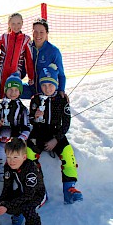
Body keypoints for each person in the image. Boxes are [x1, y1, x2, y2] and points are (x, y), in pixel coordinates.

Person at [28, 63, 83, 204]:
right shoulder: (35, 99)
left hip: (56, 133)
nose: (47, 88)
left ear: (56, 84)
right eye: (44, 85)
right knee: (29, 155)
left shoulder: (62, 99)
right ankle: (39, 190)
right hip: (38, 132)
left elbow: (66, 123)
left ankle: (69, 188)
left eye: (50, 85)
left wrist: (56, 140)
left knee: (68, 153)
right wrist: (35, 117)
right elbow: (30, 121)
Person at [0, 138, 46, 225]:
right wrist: (1, 203)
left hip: (36, 194)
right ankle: (18, 213)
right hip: (22, 191)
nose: (11, 161)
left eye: (15, 157)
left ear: (24, 157)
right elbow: (7, 188)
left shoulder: (30, 169)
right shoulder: (8, 166)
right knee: (6, 204)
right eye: (8, 157)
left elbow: (29, 196)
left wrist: (7, 205)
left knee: (28, 208)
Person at [0, 72, 30, 182]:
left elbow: (26, 127)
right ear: (5, 90)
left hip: (15, 136)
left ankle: (18, 171)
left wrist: (21, 138)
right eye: (10, 89)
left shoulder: (22, 109)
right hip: (0, 135)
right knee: (3, 142)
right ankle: (1, 168)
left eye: (16, 90)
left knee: (18, 151)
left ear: (20, 91)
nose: (13, 93)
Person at [0, 12, 33, 98]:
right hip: (2, 74)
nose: (16, 26)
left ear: (22, 23)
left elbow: (29, 60)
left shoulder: (26, 39)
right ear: (9, 24)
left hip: (15, 74)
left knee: (13, 97)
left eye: (18, 23)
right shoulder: (4, 37)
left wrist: (31, 77)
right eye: (13, 23)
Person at [22, 17, 67, 99]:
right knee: (11, 89)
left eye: (41, 32)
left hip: (47, 91)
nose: (38, 35)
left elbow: (61, 75)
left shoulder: (53, 51)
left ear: (47, 33)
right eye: (35, 31)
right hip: (32, 88)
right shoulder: (27, 48)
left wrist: (61, 90)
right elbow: (21, 69)